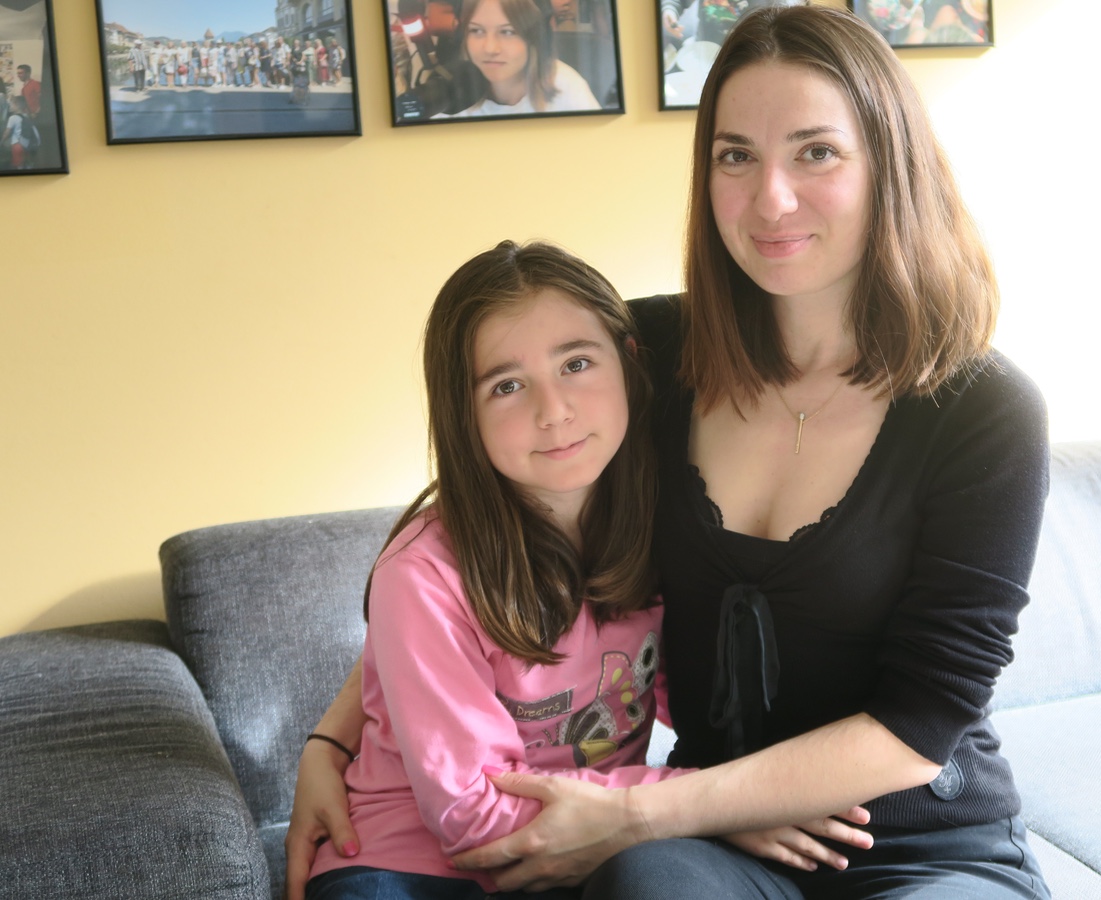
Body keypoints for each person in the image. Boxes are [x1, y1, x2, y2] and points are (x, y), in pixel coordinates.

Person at [288, 7, 1052, 899]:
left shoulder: (984, 412)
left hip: (924, 841)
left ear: (891, 162)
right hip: (711, 847)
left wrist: (648, 813)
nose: (771, 198)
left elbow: (926, 717)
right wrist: (331, 740)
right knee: (648, 886)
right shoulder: (652, 355)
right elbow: (477, 559)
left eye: (816, 152)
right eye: (735, 156)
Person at [449, 0, 600, 118]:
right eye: (476, 30)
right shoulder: (450, 94)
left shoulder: (567, 88)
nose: (490, 48)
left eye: (507, 32)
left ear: (535, 38)